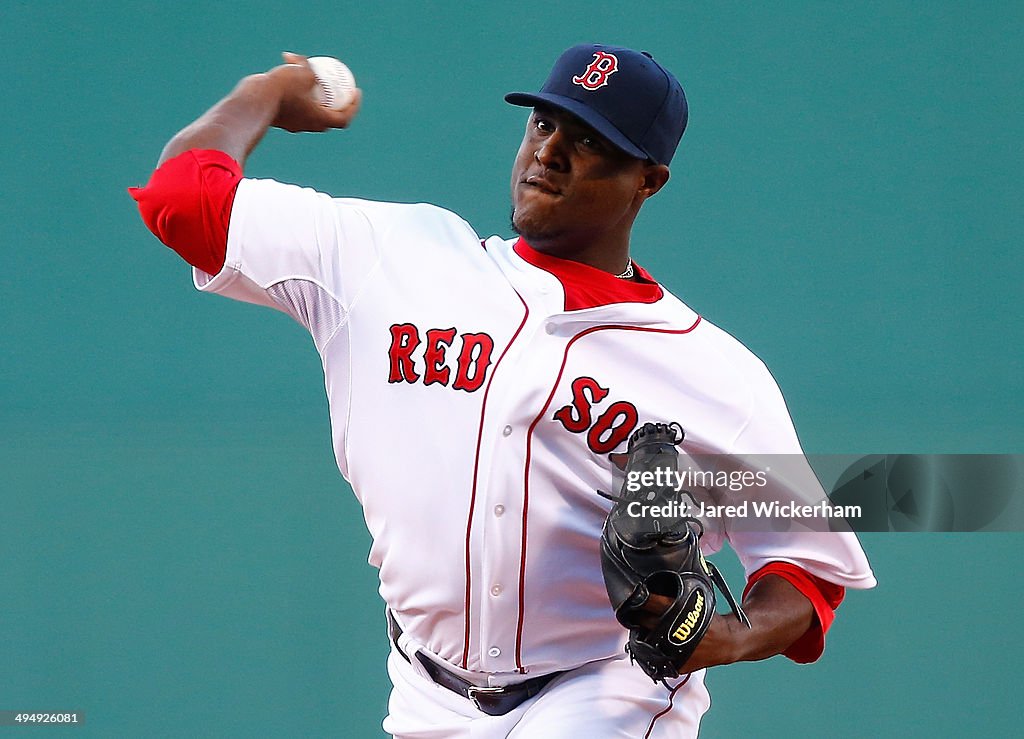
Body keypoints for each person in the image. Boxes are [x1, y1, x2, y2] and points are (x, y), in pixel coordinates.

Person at [130, 44, 875, 738]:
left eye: (589, 140)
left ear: (648, 178)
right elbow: (180, 200)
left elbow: (807, 568)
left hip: (602, 690)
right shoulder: (390, 258)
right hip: (425, 691)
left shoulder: (716, 374)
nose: (549, 151)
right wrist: (268, 91)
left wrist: (725, 636)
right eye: (544, 122)